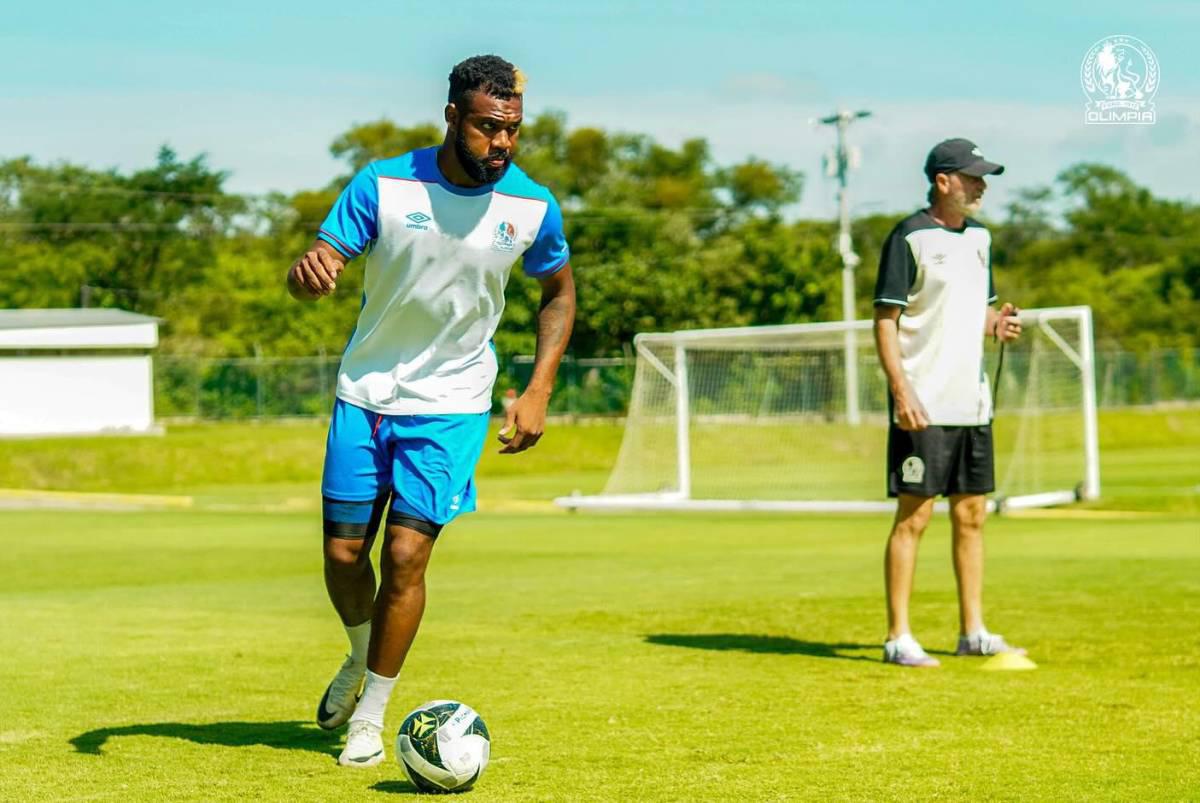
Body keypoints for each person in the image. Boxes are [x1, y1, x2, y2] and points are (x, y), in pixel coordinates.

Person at [286, 54, 575, 764]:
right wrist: (307, 273)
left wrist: (538, 388)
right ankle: (359, 658)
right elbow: (319, 264)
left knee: (406, 556)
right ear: (452, 116)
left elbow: (559, 292)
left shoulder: (532, 206)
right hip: (366, 394)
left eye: (512, 130)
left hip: (451, 405)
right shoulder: (381, 183)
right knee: (344, 555)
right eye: (486, 128)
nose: (501, 144)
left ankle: (372, 716)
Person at [871, 138, 1024, 668]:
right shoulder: (908, 237)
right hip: (923, 403)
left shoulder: (981, 240)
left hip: (971, 402)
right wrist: (901, 391)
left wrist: (998, 325)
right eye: (973, 177)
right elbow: (885, 321)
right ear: (943, 181)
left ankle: (972, 631)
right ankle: (898, 637)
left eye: (984, 178)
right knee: (914, 518)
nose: (982, 185)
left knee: (973, 515)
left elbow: (978, 314)